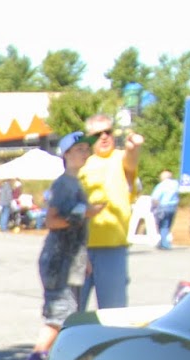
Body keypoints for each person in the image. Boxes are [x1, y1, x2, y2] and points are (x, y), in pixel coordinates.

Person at [25, 132, 102, 360]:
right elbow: (52, 221)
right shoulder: (63, 184)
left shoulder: (75, 183)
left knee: (69, 314)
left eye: (86, 149)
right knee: (61, 314)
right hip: (59, 261)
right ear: (66, 154)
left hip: (71, 259)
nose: (85, 153)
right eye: (79, 149)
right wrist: (86, 212)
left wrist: (84, 258)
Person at [77, 113, 143, 310]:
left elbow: (131, 162)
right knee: (73, 312)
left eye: (108, 132)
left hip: (113, 247)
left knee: (113, 312)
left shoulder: (120, 158)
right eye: (98, 134)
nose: (104, 137)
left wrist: (134, 147)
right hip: (81, 247)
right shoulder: (81, 165)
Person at [151, 170, 180, 250]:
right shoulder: (175, 184)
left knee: (163, 226)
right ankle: (162, 242)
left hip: (163, 207)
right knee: (168, 225)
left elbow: (155, 198)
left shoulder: (161, 185)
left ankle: (165, 244)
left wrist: (154, 207)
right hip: (173, 207)